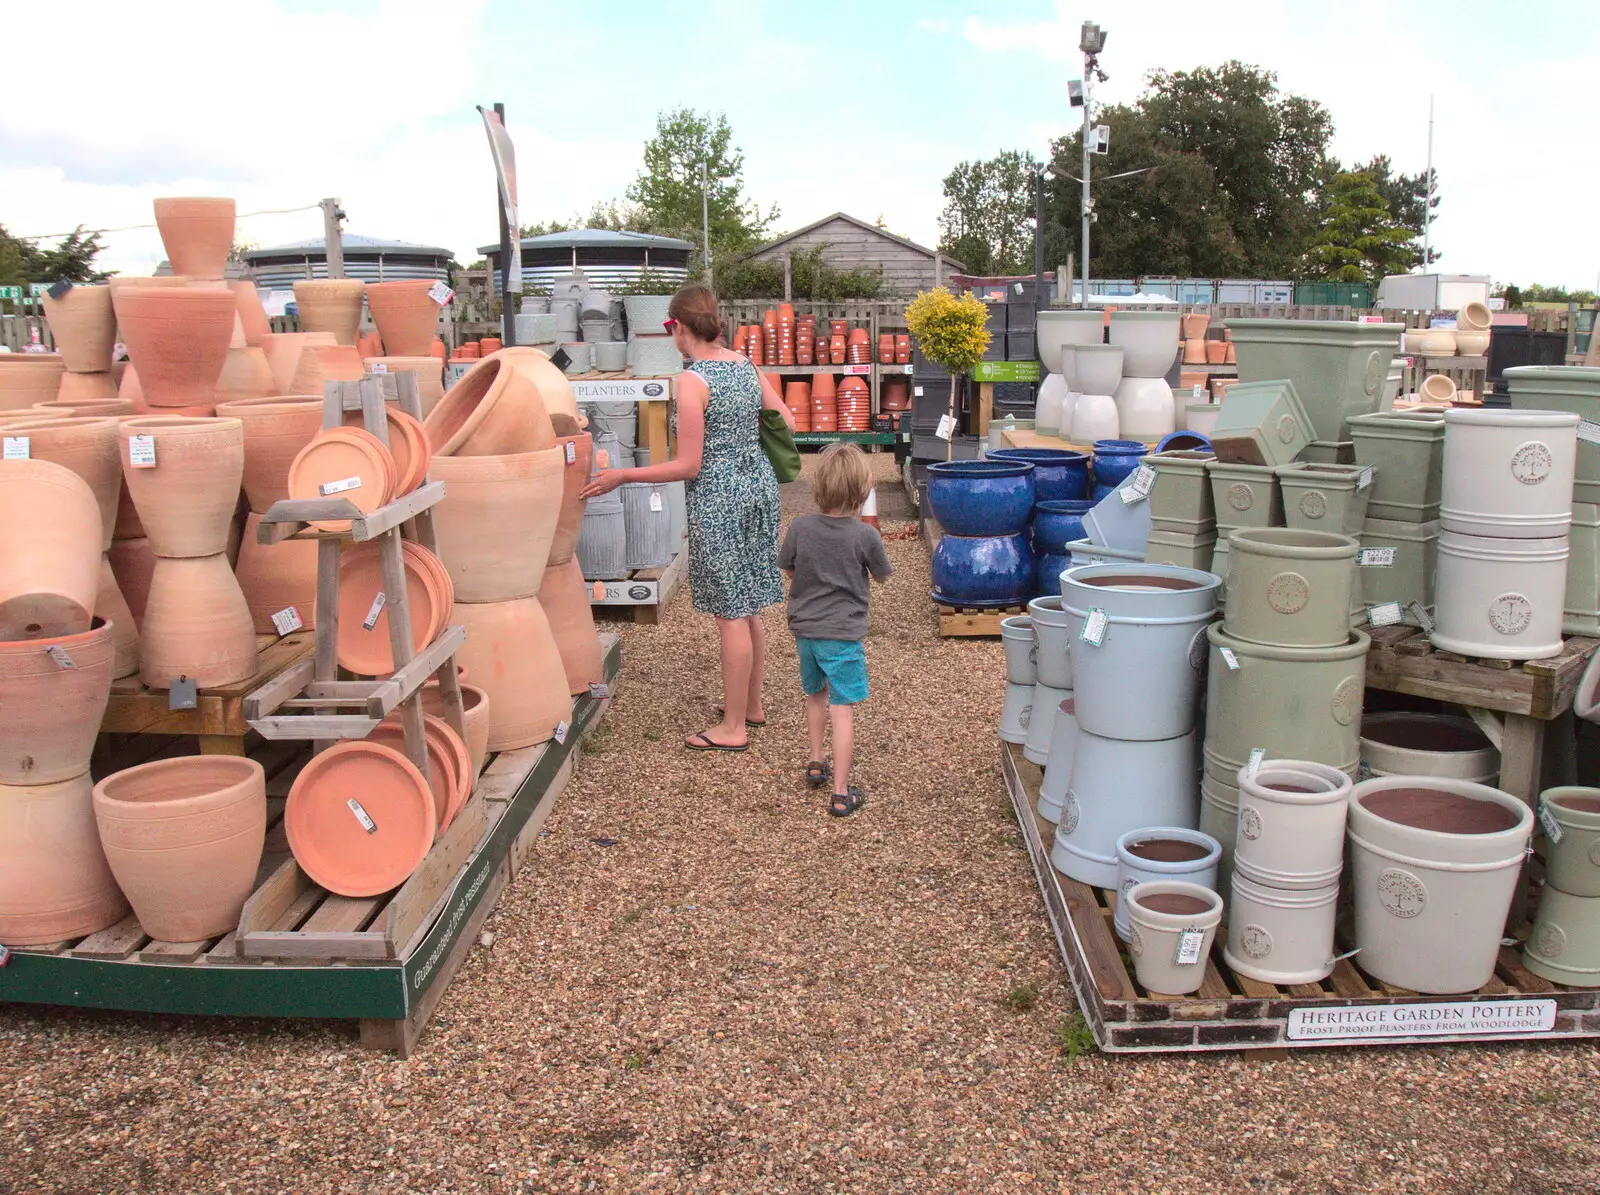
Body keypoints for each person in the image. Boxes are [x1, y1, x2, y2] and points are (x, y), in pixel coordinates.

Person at [580, 285, 796, 752]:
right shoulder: (744, 364)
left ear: (679, 328)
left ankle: (734, 728)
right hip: (758, 488)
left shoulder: (693, 382)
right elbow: (787, 420)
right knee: (749, 604)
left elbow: (688, 466)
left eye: (669, 329)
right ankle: (751, 706)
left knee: (731, 615)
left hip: (719, 498)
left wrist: (622, 475)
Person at [778, 442, 892, 817]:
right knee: (841, 710)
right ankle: (841, 792)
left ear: (819, 486)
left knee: (815, 696)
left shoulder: (800, 527)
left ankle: (815, 760)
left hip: (805, 632)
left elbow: (790, 569)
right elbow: (882, 577)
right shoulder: (864, 536)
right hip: (842, 635)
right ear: (862, 490)